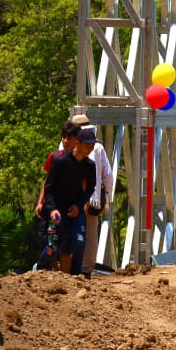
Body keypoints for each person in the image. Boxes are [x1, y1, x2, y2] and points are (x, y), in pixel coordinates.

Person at [42, 127, 97, 274]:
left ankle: (74, 278)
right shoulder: (60, 162)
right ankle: (39, 269)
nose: (90, 150)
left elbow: (91, 188)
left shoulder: (90, 166)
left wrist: (79, 206)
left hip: (76, 210)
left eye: (92, 147)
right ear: (78, 143)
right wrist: (52, 208)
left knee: (78, 242)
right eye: (87, 146)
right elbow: (49, 188)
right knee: (53, 246)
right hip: (58, 210)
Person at [71, 115, 114, 278]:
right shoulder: (97, 147)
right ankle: (86, 269)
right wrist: (106, 195)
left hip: (72, 198)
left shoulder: (69, 144)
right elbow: (108, 175)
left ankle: (70, 267)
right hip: (92, 199)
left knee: (71, 232)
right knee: (90, 234)